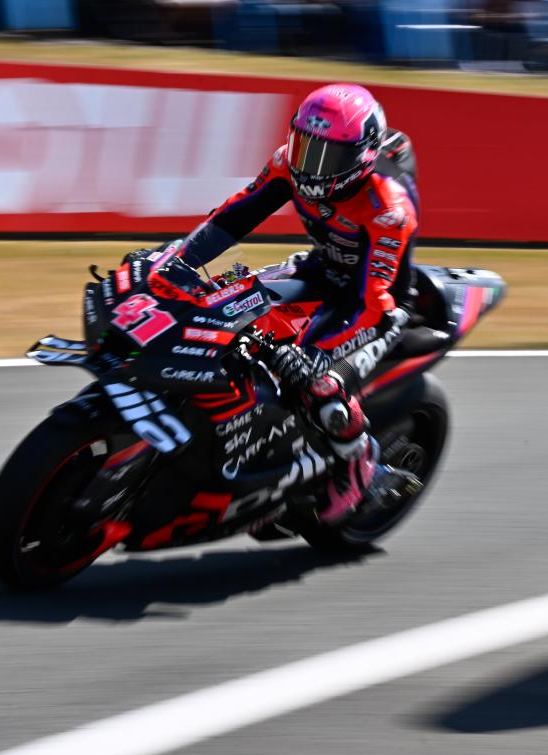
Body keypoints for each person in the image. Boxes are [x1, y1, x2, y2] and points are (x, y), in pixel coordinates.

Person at [138, 83, 422, 525]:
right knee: (217, 309)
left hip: (377, 305)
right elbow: (233, 216)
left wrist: (313, 361)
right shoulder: (288, 163)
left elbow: (373, 302)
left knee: (319, 384)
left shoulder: (387, 209)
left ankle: (359, 463)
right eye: (307, 145)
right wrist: (175, 261)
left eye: (328, 156)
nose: (310, 163)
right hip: (319, 269)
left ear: (362, 157)